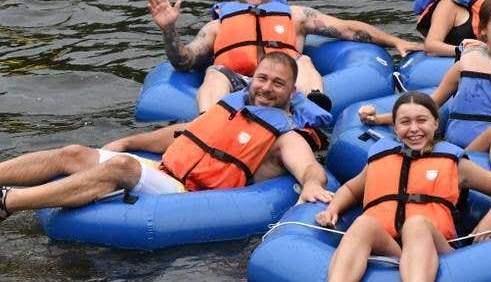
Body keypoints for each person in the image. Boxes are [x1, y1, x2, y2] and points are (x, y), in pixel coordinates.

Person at [0, 53, 334, 220]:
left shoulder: (286, 135)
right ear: (252, 79)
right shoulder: (233, 108)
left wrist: (312, 184)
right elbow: (186, 134)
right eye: (262, 78)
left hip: (189, 195)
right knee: (72, 152)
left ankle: (8, 203)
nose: (266, 88)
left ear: (292, 91)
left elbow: (309, 168)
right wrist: (129, 142)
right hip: (165, 171)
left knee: (122, 167)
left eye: (278, 83)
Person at [310, 91, 491, 282]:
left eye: (422, 120)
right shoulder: (380, 158)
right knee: (363, 223)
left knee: (416, 223)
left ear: (435, 123)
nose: (414, 129)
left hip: (436, 248)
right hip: (393, 248)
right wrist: (333, 209)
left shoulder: (454, 163)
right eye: (405, 122)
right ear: (395, 127)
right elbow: (352, 189)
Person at [364, 0, 491, 202]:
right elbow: (431, 105)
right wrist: (378, 119)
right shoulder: (465, 64)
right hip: (469, 145)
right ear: (483, 30)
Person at [149, 0, 423, 112]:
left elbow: (347, 29)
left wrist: (395, 41)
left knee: (302, 61)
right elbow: (184, 61)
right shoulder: (218, 26)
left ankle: (311, 109)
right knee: (213, 72)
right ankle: (211, 121)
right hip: (238, 81)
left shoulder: (295, 16)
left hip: (285, 83)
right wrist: (168, 29)